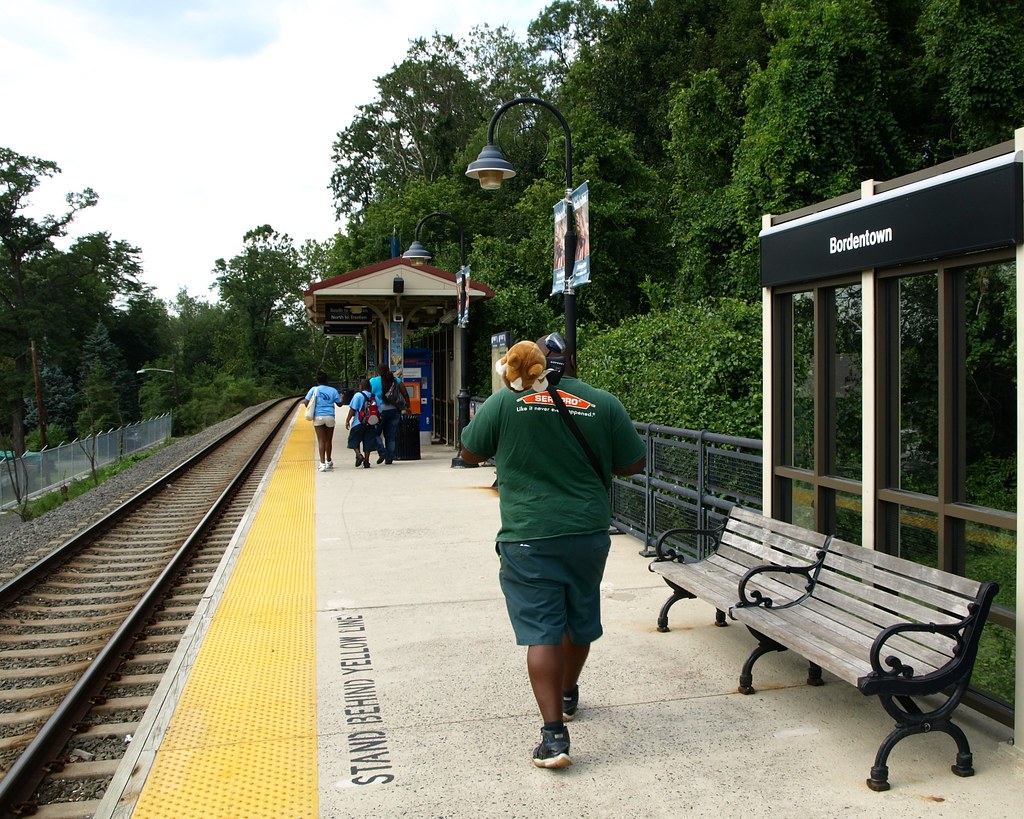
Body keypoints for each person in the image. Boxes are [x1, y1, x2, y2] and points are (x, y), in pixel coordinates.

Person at [459, 333, 646, 770]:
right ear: (572, 362)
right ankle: (568, 692)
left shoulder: (505, 401)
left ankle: (554, 736)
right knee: (578, 619)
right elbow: (634, 463)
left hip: (528, 534)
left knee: (543, 630)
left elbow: (469, 452)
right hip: (587, 531)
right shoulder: (603, 402)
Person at [369, 364, 411, 465]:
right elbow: (405, 393)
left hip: (379, 411)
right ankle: (389, 459)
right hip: (395, 410)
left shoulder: (373, 381)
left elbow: (369, 396)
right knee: (390, 436)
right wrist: (408, 407)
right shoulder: (396, 380)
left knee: (373, 433)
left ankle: (382, 450)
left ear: (378, 372)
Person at [303, 370, 344, 472]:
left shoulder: (314, 389)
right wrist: (342, 397)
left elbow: (306, 402)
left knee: (321, 440)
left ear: (317, 381)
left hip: (318, 417)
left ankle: (322, 464)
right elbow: (339, 404)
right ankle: (329, 461)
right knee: (328, 440)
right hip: (330, 416)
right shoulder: (333, 390)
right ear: (327, 380)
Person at [346, 378, 380, 469]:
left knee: (354, 440)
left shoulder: (358, 395)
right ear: (370, 387)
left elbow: (352, 409)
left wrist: (347, 420)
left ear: (361, 387)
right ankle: (367, 461)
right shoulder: (374, 396)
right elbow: (379, 410)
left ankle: (359, 455)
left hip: (358, 422)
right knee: (368, 441)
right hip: (370, 423)